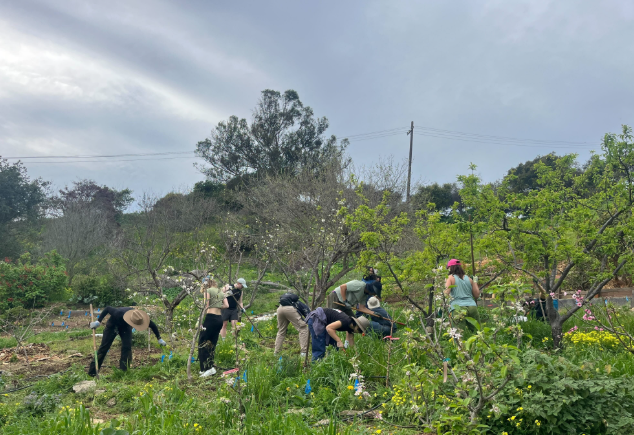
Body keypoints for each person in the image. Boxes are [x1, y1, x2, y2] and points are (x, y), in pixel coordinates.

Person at [88, 307, 165, 376]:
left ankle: (124, 371)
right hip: (113, 325)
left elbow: (153, 325)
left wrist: (159, 338)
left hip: (125, 327)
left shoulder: (139, 317)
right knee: (104, 348)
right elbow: (107, 308)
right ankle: (92, 372)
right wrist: (98, 321)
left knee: (127, 347)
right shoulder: (119, 313)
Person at [305, 307, 370, 361]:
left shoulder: (351, 328)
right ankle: (315, 370)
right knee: (319, 348)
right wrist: (339, 341)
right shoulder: (345, 321)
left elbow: (351, 345)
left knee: (335, 346)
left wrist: (355, 356)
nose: (359, 333)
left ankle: (330, 363)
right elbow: (329, 328)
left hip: (324, 322)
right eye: (360, 330)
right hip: (316, 319)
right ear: (357, 326)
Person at [198, 278, 228, 377]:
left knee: (203, 342)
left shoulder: (208, 291)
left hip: (210, 318)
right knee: (212, 343)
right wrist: (218, 306)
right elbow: (226, 305)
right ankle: (207, 367)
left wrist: (200, 321)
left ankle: (207, 368)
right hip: (219, 319)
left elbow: (206, 307)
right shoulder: (220, 291)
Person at [443, 259, 480, 330]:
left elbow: (446, 294)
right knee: (477, 332)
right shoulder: (469, 279)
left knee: (458, 333)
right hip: (472, 307)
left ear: (451, 268)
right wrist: (475, 282)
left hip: (458, 308)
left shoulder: (450, 278)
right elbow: (476, 295)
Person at [274, 293, 310, 357]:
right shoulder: (303, 305)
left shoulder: (286, 302)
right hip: (290, 309)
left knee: (281, 331)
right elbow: (308, 315)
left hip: (280, 308)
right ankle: (304, 353)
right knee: (303, 329)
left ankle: (276, 352)